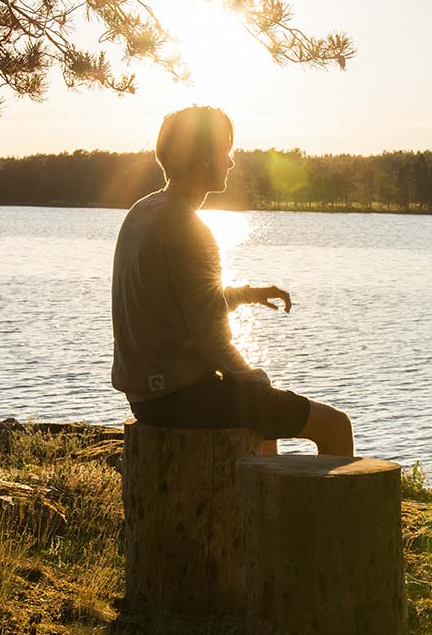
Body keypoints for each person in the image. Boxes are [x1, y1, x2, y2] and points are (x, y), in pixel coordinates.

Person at [111, 106, 353, 455]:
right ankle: (333, 511)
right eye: (226, 151)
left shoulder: (143, 211)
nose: (232, 161)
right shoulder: (188, 227)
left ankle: (266, 505)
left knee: (260, 413)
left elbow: (183, 304)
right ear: (204, 161)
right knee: (334, 425)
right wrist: (256, 378)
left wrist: (248, 295)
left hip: (146, 397)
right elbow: (213, 339)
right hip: (182, 398)